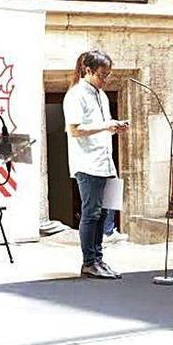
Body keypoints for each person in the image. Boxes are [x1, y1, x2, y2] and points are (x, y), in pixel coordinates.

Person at [63, 49, 128, 279]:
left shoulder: (100, 94)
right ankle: (88, 261)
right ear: (87, 70)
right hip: (87, 163)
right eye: (102, 74)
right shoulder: (76, 94)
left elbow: (101, 124)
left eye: (108, 75)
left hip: (104, 161)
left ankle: (99, 259)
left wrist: (114, 126)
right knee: (91, 212)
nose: (105, 79)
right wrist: (106, 126)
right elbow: (74, 129)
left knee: (103, 213)